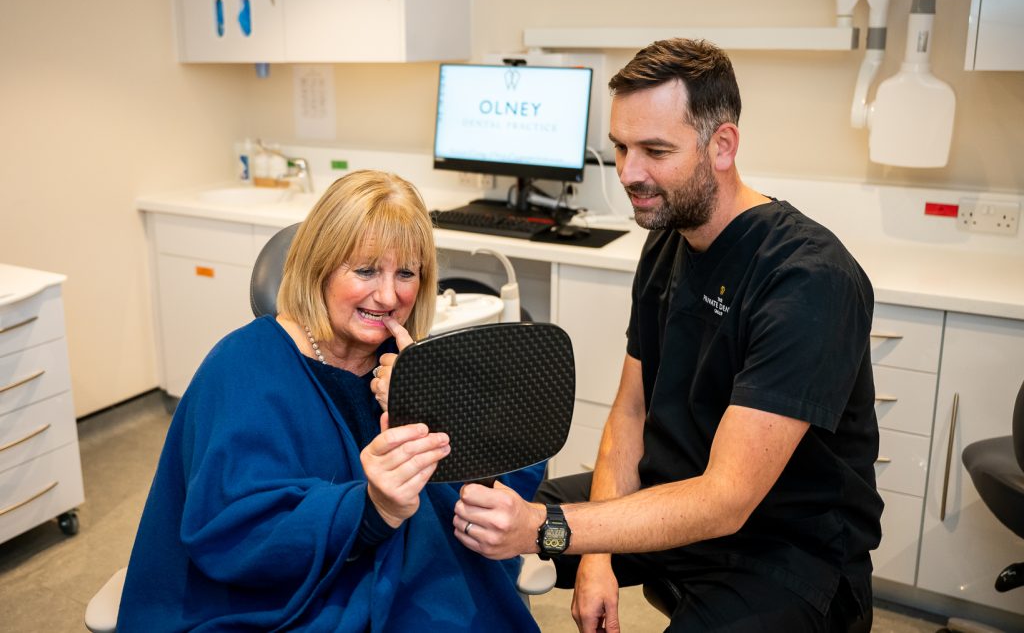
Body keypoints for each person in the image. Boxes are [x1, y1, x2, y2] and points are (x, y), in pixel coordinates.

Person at [436, 38, 883, 632]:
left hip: (783, 549)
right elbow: (631, 411)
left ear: (721, 145)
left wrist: (554, 530)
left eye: (655, 150)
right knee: (468, 517)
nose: (628, 173)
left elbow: (728, 498)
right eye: (620, 147)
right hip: (672, 493)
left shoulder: (807, 279)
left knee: (530, 521)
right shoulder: (668, 237)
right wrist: (595, 557)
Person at [119, 170, 543, 632]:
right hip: (284, 596)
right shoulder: (244, 366)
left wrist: (423, 403)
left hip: (403, 577)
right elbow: (235, 532)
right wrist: (371, 508)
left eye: (406, 273)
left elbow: (501, 479)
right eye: (365, 270)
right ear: (318, 267)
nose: (388, 295)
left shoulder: (406, 363)